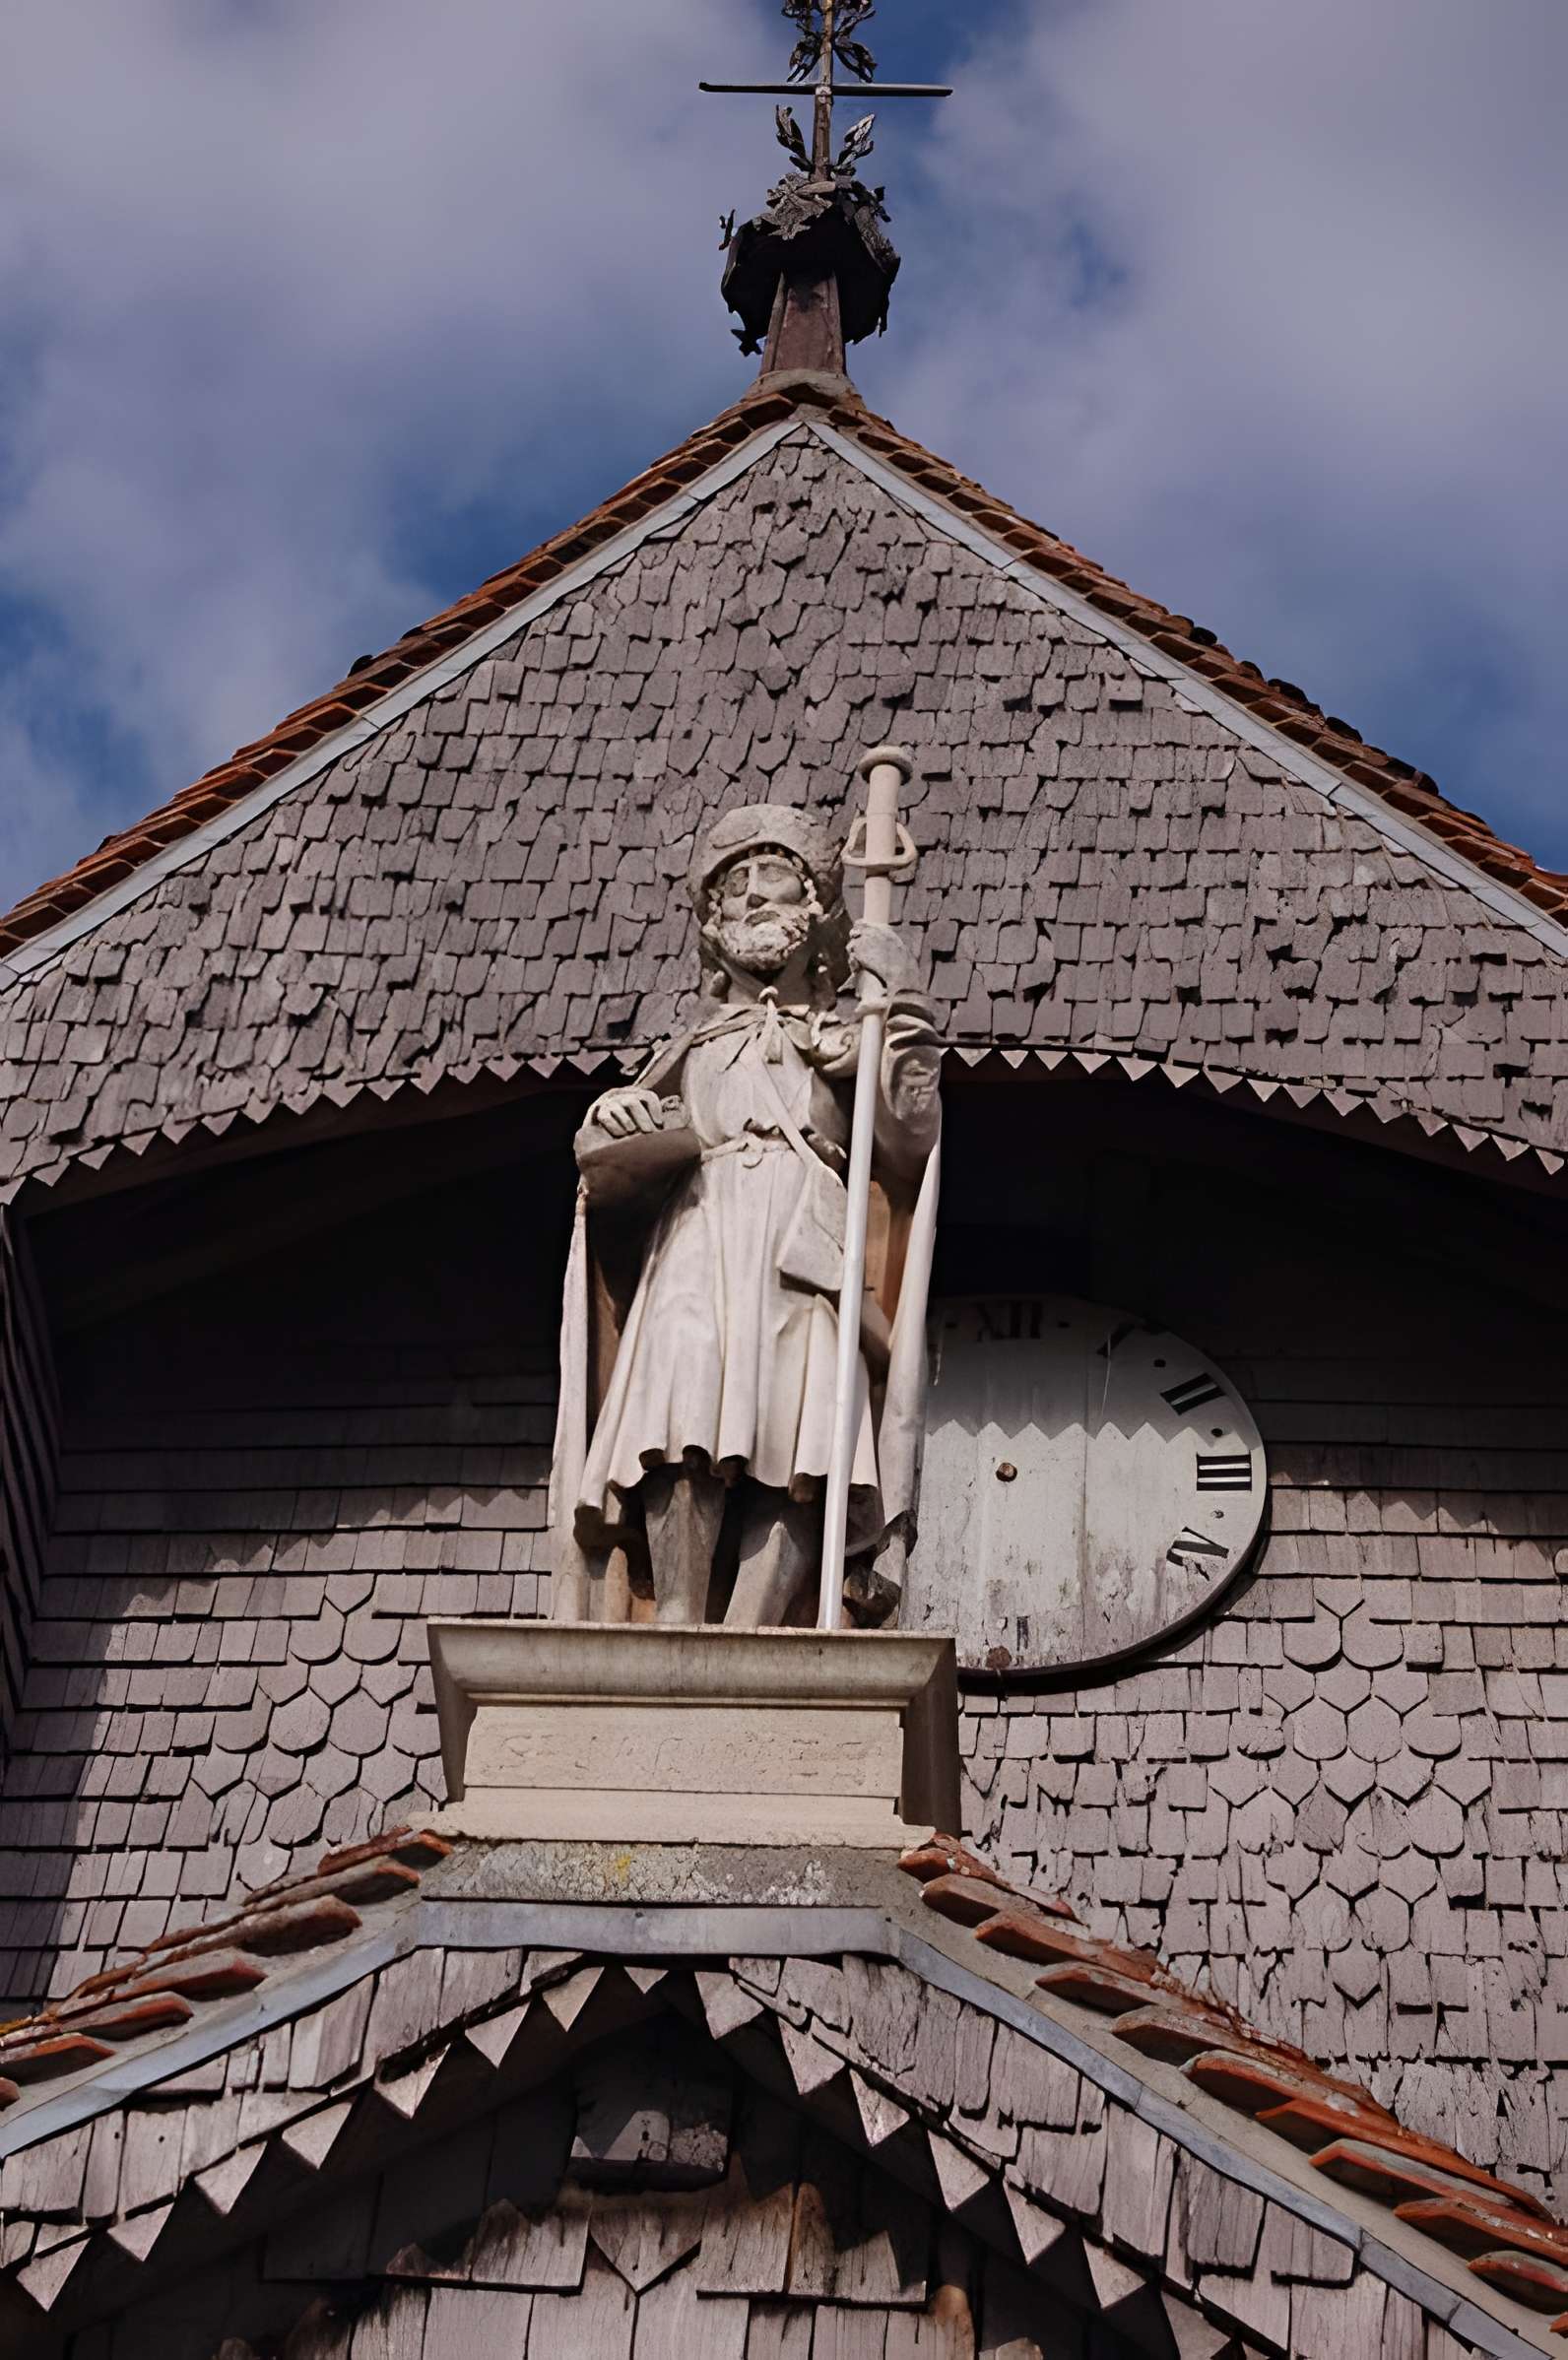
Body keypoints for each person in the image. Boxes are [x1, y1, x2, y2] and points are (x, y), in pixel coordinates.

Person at [550, 802, 940, 1627]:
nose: (756, 901)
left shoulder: (850, 1041)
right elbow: (613, 1143)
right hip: (701, 1224)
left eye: (776, 882)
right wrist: (617, 1112)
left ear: (813, 912)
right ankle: (681, 1615)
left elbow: (907, 1138)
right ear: (715, 925)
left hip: (805, 1233)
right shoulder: (692, 1046)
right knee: (680, 1402)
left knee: (803, 1430)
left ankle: (754, 1627)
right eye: (737, 890)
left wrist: (898, 1001)